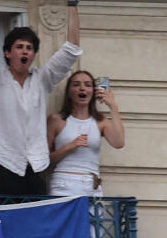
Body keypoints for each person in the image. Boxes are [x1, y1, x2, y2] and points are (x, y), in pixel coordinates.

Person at [0, 0, 85, 196]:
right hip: (2, 165)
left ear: (33, 55)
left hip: (36, 165)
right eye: (19, 47)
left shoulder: (42, 79)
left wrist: (71, 3)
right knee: (3, 229)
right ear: (7, 53)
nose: (25, 52)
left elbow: (71, 49)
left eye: (29, 48)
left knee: (35, 229)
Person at [47, 70, 125, 200]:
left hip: (91, 185)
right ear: (69, 92)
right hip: (64, 183)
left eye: (88, 85)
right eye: (76, 84)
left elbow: (119, 142)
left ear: (94, 91)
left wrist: (113, 106)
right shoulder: (57, 120)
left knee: (93, 221)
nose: (82, 88)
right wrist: (69, 147)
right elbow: (45, 161)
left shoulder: (101, 122)